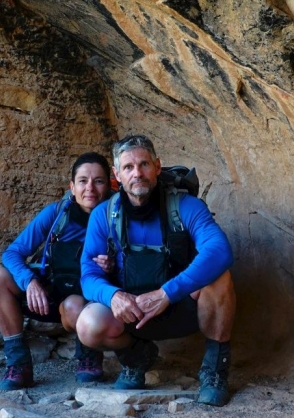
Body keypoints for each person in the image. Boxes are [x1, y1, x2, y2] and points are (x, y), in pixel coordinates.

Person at [77, 135, 236, 406]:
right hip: (133, 312)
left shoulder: (185, 206)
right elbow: (88, 275)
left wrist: (167, 293)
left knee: (220, 279)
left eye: (144, 164)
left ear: (157, 167)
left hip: (180, 307)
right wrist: (113, 296)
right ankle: (137, 357)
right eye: (128, 167)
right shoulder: (104, 215)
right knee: (88, 324)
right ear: (117, 175)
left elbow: (220, 250)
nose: (137, 173)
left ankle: (215, 371)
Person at [0, 152, 114, 390]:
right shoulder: (57, 214)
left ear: (109, 185)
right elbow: (12, 253)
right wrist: (30, 282)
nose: (90, 189)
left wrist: (115, 265)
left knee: (75, 305)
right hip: (48, 293)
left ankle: (89, 356)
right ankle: (18, 363)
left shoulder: (117, 216)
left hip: (87, 302)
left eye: (98, 181)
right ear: (72, 187)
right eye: (83, 181)